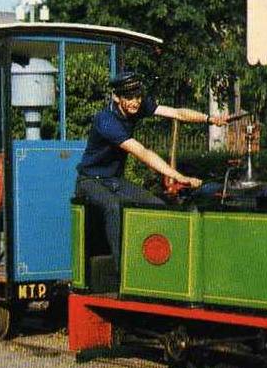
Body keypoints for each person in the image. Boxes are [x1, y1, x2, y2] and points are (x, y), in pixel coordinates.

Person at [75, 70, 228, 272]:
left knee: (155, 205)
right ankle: (123, 273)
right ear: (116, 97)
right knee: (113, 207)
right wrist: (178, 176)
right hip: (90, 181)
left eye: (138, 97)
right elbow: (143, 153)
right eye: (129, 97)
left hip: (114, 180)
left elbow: (177, 113)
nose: (135, 102)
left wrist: (209, 119)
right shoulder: (106, 121)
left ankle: (155, 264)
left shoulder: (138, 106)